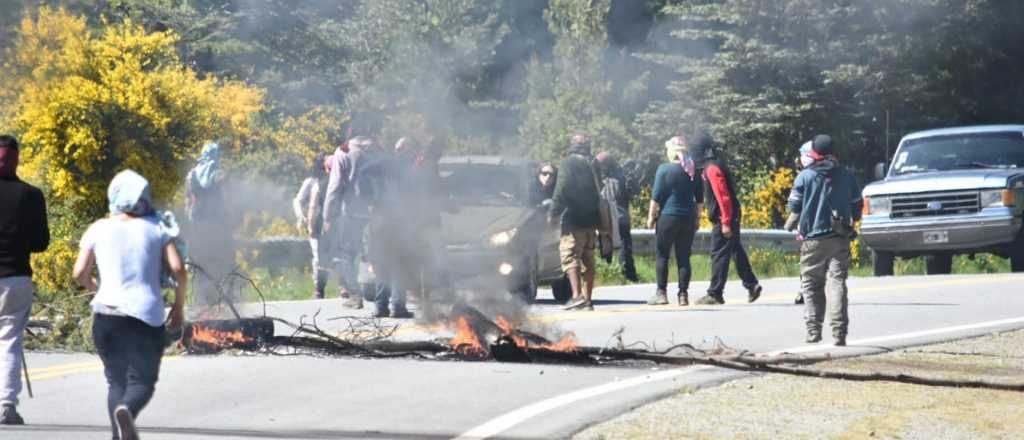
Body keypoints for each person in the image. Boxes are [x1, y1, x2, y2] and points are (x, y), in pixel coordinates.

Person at [72, 169, 187, 440]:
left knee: (116, 381)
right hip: (144, 317)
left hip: (105, 316)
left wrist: (96, 287)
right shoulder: (157, 227)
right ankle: (127, 409)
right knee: (143, 382)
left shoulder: (98, 228)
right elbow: (178, 269)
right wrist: (179, 307)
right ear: (144, 197)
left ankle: (119, 432)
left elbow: (79, 273)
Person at [785, 135, 863, 346]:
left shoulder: (805, 176)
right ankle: (839, 333)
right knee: (837, 282)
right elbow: (857, 206)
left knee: (811, 284)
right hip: (840, 238)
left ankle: (813, 331)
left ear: (814, 154)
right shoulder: (847, 176)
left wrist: (790, 224)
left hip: (813, 240)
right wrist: (853, 219)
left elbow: (794, 208)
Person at [0, 135, 49, 425]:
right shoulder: (30, 195)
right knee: (8, 342)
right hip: (15, 278)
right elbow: (41, 242)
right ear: (16, 158)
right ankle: (5, 406)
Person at [690, 132, 763, 305]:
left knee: (719, 254)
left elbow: (723, 197)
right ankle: (752, 284)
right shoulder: (714, 165)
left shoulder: (712, 168)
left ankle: (715, 293)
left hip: (725, 216)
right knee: (735, 250)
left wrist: (725, 222)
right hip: (730, 215)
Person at [323, 136, 382, 310]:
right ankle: (386, 300)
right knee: (381, 253)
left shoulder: (344, 151)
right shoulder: (378, 148)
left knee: (346, 255)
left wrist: (327, 216)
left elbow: (334, 187)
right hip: (378, 211)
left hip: (353, 213)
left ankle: (355, 296)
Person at [645, 136, 703, 306]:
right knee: (684, 257)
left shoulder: (664, 169)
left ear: (672, 152)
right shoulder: (693, 171)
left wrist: (650, 217)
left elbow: (655, 197)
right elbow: (699, 199)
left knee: (663, 255)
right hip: (688, 218)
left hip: (668, 217)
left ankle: (661, 293)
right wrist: (698, 219)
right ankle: (683, 295)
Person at [549, 134, 602, 311]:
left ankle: (576, 296)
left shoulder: (568, 162)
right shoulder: (593, 163)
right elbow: (599, 188)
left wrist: (554, 213)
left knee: (570, 255)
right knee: (588, 257)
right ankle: (588, 300)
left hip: (573, 218)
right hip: (592, 218)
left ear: (572, 145)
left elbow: (561, 189)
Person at [185, 142, 234, 310]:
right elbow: (227, 200)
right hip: (217, 225)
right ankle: (221, 300)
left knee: (200, 263)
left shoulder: (191, 175)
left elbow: (189, 201)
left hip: (198, 225)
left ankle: (201, 301)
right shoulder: (220, 174)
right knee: (221, 261)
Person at [596, 152, 639, 282]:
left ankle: (619, 271)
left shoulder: (601, 177)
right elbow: (635, 191)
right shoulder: (620, 176)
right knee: (622, 244)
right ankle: (624, 272)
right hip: (616, 215)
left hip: (612, 215)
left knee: (615, 244)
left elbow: (634, 191)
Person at [293, 153, 330, 299]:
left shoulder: (334, 178)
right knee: (318, 256)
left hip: (331, 221)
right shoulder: (311, 181)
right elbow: (298, 200)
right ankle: (318, 287)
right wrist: (301, 216)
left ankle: (342, 287)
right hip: (316, 222)